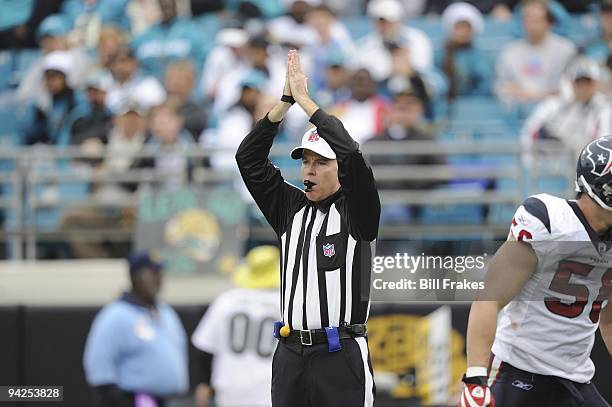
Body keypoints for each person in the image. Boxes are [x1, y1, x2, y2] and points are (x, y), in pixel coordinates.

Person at [235, 49, 380, 406]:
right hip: (290, 353)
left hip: (339, 354)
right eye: (306, 162)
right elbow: (248, 159)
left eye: (320, 163)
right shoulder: (290, 208)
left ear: (339, 170)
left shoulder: (357, 210)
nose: (308, 171)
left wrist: (307, 103)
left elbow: (352, 155)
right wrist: (284, 104)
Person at [459, 137, 612, 406]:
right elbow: (489, 297)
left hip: (575, 379)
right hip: (518, 371)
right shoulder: (550, 221)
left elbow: (609, 320)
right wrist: (475, 378)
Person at [83, 251, 189, 407]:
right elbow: (98, 364)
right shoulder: (116, 315)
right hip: (137, 400)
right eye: (151, 273)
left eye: (159, 273)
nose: (158, 279)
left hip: (172, 400)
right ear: (134, 277)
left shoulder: (167, 312)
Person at [191, 245, 281, 407]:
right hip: (268, 394)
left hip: (229, 392)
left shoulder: (227, 301)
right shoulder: (285, 305)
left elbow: (203, 348)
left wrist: (203, 383)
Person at [520, 58, 611, 160]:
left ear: (595, 83)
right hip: (550, 163)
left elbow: (604, 140)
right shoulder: (553, 105)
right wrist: (530, 163)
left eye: (587, 82)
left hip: (587, 164)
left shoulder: (604, 107)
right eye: (579, 82)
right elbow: (530, 131)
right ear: (572, 83)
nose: (583, 87)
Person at [494, 0, 576, 110]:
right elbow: (501, 86)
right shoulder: (510, 51)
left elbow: (571, 87)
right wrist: (529, 96)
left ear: (549, 23)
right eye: (528, 21)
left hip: (557, 111)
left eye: (537, 21)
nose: (532, 26)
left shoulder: (566, 49)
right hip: (518, 112)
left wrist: (539, 96)